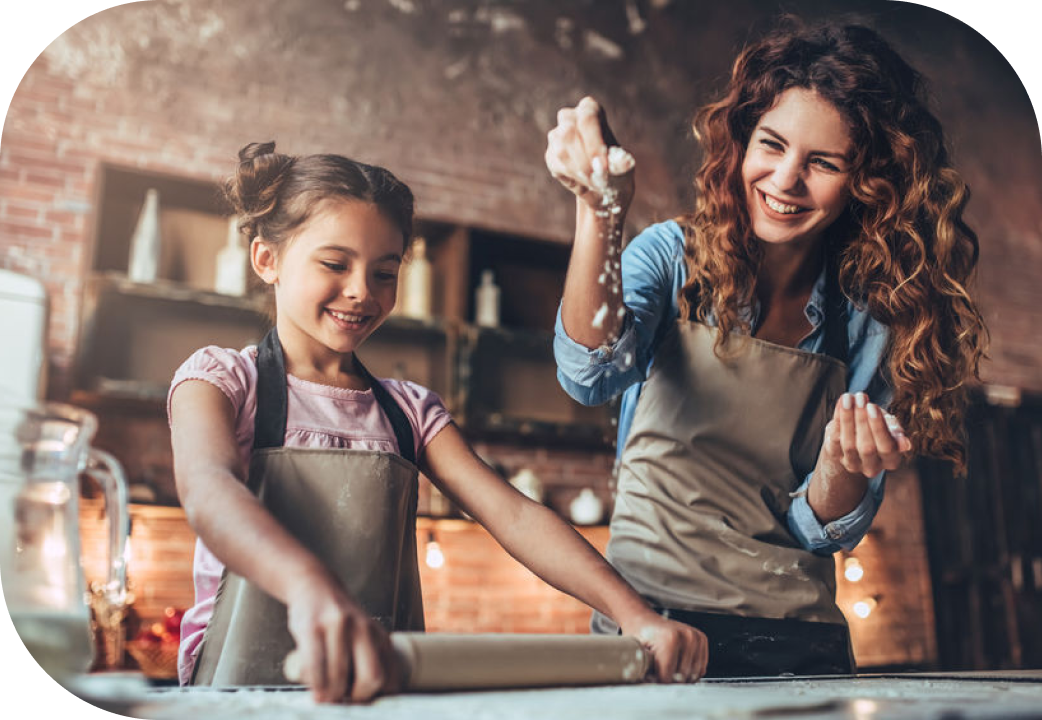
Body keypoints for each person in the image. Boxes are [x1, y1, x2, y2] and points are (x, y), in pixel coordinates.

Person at [168, 141, 707, 703]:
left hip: (376, 695)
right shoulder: (222, 381)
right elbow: (209, 491)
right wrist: (308, 588)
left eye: (384, 272)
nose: (362, 291)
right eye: (335, 264)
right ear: (266, 259)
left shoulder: (408, 412)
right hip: (234, 697)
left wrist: (637, 617)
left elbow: (516, 517)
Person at [545, 17, 987, 677]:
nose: (785, 180)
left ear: (867, 184)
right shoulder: (672, 259)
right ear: (742, 140)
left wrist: (846, 466)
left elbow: (819, 526)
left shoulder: (869, 321)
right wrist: (599, 215)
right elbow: (589, 373)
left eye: (823, 163)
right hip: (650, 628)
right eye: (771, 145)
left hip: (796, 640)